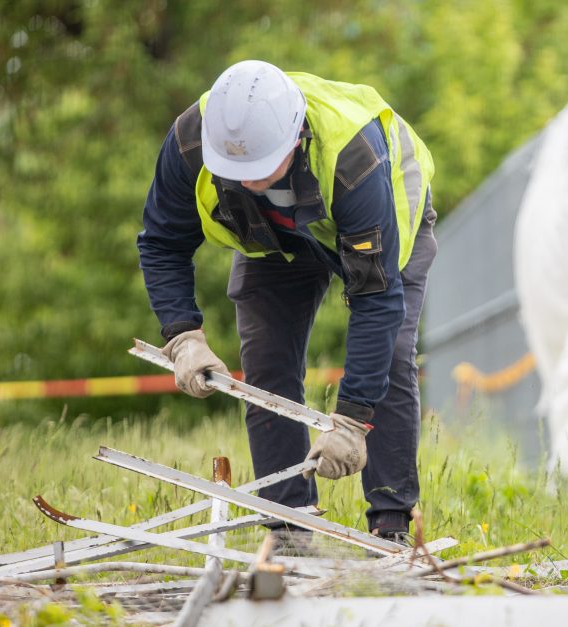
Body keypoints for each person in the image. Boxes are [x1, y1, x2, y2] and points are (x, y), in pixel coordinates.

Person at [137, 60, 436, 542]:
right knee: (268, 360)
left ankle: (390, 525)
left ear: (296, 138)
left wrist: (353, 420)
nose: (247, 181)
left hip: (380, 222)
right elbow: (161, 241)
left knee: (394, 356)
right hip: (275, 241)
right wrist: (182, 335)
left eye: (258, 169)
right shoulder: (193, 141)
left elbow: (376, 301)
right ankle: (289, 527)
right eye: (235, 172)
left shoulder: (354, 159)